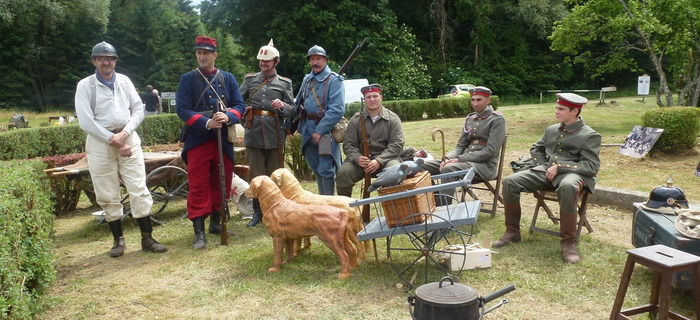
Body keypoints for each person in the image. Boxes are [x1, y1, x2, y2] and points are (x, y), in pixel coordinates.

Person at [74, 41, 167, 257]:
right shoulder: (85, 86)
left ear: (115, 60)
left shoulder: (124, 81)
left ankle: (147, 238)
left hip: (128, 136)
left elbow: (138, 110)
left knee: (138, 187)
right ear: (94, 61)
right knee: (107, 191)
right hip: (100, 141)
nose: (106, 62)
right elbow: (86, 122)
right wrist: (114, 139)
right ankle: (118, 241)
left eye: (110, 58)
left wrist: (124, 135)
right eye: (101, 58)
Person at [493, 93, 601, 263]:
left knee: (568, 186)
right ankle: (512, 232)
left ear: (575, 111)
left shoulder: (589, 135)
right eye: (556, 108)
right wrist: (544, 165)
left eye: (561, 109)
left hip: (574, 175)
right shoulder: (552, 129)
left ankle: (568, 244)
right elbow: (536, 148)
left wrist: (559, 167)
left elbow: (591, 166)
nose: (556, 112)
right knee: (510, 181)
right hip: (547, 173)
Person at [176, 36, 245, 249]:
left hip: (222, 141)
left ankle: (216, 223)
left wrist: (228, 117)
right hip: (198, 141)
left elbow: (240, 105)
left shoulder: (228, 78)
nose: (202, 56)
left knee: (221, 184)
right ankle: (199, 231)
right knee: (198, 186)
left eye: (206, 53)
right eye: (199, 53)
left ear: (215, 55)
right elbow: (183, 109)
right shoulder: (188, 79)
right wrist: (206, 123)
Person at [240, 39, 295, 227]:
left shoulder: (284, 83)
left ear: (276, 62)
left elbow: (293, 110)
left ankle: (277, 210)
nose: (263, 64)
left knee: (275, 174)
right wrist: (244, 117)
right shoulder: (250, 80)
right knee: (256, 175)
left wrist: (283, 107)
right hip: (254, 133)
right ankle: (258, 212)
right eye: (261, 62)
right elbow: (237, 104)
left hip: (275, 134)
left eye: (267, 61)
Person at [421, 86, 506, 200]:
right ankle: (435, 199)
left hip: (485, 167)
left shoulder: (496, 119)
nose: (475, 103)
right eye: (472, 100)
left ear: (488, 100)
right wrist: (447, 158)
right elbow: (460, 146)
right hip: (464, 162)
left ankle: (443, 207)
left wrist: (459, 159)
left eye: (479, 100)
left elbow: (490, 151)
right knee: (422, 166)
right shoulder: (470, 118)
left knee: (448, 168)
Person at [336, 84, 404, 197]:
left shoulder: (393, 119)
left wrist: (379, 161)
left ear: (381, 97)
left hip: (386, 159)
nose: (372, 100)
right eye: (368, 97)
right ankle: (345, 210)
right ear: (364, 99)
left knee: (394, 172)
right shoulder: (356, 120)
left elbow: (397, 144)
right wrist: (357, 158)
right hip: (361, 161)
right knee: (343, 173)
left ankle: (393, 209)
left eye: (375, 96)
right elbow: (349, 144)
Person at [295, 45, 345, 195]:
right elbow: (297, 103)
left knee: (326, 169)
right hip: (306, 128)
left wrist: (319, 131)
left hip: (325, 131)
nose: (315, 62)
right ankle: (322, 203)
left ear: (325, 60)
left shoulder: (335, 80)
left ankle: (328, 204)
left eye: (318, 58)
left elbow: (336, 110)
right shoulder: (307, 79)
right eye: (312, 59)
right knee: (316, 168)